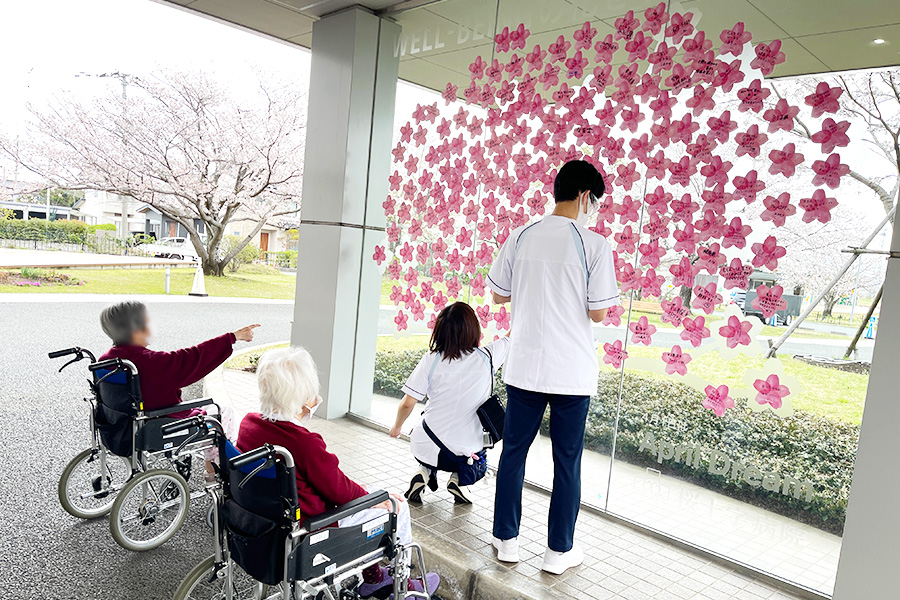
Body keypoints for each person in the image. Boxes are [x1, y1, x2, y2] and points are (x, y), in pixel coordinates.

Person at [487, 159, 619, 575]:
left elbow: (498, 297)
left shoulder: (520, 235)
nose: (594, 210)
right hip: (571, 374)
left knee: (513, 454)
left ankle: (506, 540)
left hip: (525, 367)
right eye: (595, 202)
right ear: (584, 196)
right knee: (568, 461)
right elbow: (598, 314)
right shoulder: (594, 244)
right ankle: (558, 552)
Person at [236, 347, 439, 599]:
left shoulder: (248, 424)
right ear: (300, 397)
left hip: (269, 525)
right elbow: (339, 490)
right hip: (314, 530)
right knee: (396, 506)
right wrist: (377, 500)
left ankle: (374, 578)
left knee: (365, 500)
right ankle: (401, 583)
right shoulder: (303, 443)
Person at [389, 302, 510, 505]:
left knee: (430, 433)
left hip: (425, 442)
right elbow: (511, 337)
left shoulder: (431, 359)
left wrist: (397, 426)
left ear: (440, 330)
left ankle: (424, 472)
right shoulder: (488, 357)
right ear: (474, 329)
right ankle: (459, 481)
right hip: (464, 452)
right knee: (478, 456)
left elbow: (408, 403)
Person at [98, 300, 258, 418]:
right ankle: (215, 463)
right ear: (137, 329)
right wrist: (233, 337)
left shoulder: (105, 360)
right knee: (223, 412)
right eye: (148, 321)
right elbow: (193, 357)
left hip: (122, 426)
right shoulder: (150, 362)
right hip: (161, 422)